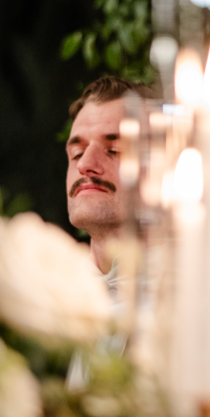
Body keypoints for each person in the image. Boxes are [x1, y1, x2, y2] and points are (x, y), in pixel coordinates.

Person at [66, 76, 150, 276]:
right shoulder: (47, 293)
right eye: (77, 153)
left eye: (115, 149)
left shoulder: (198, 292)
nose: (85, 164)